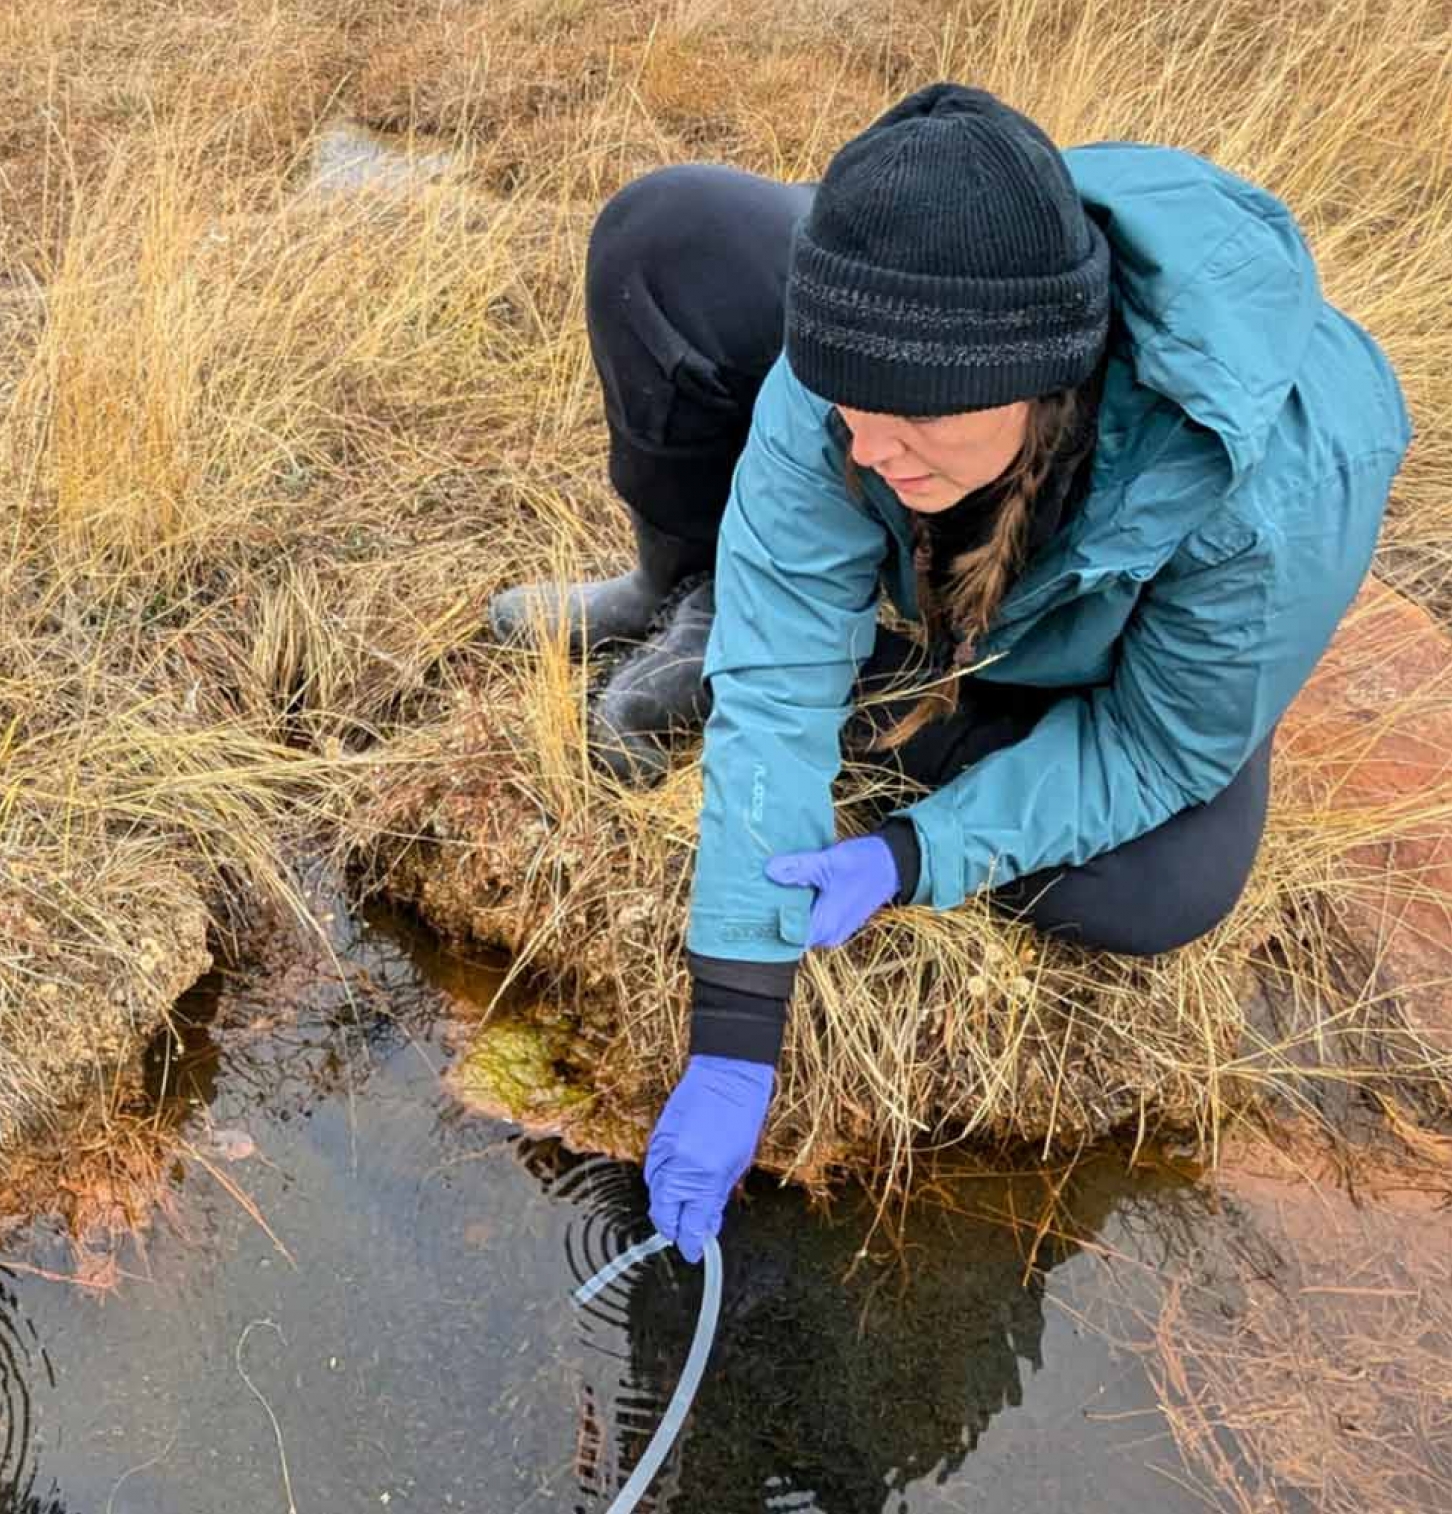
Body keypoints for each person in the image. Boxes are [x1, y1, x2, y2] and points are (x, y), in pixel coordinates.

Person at [488, 84, 1408, 1262]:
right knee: (674, 236)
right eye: (847, 412)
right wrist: (732, 1035)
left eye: (910, 421)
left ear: (1042, 374)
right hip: (934, 564)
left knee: (1154, 894)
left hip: (1112, 677)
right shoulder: (856, 368)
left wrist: (915, 850)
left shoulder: (1278, 479)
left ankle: (947, 714)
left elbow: (1158, 746)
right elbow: (775, 693)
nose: (865, 449)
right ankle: (687, 597)